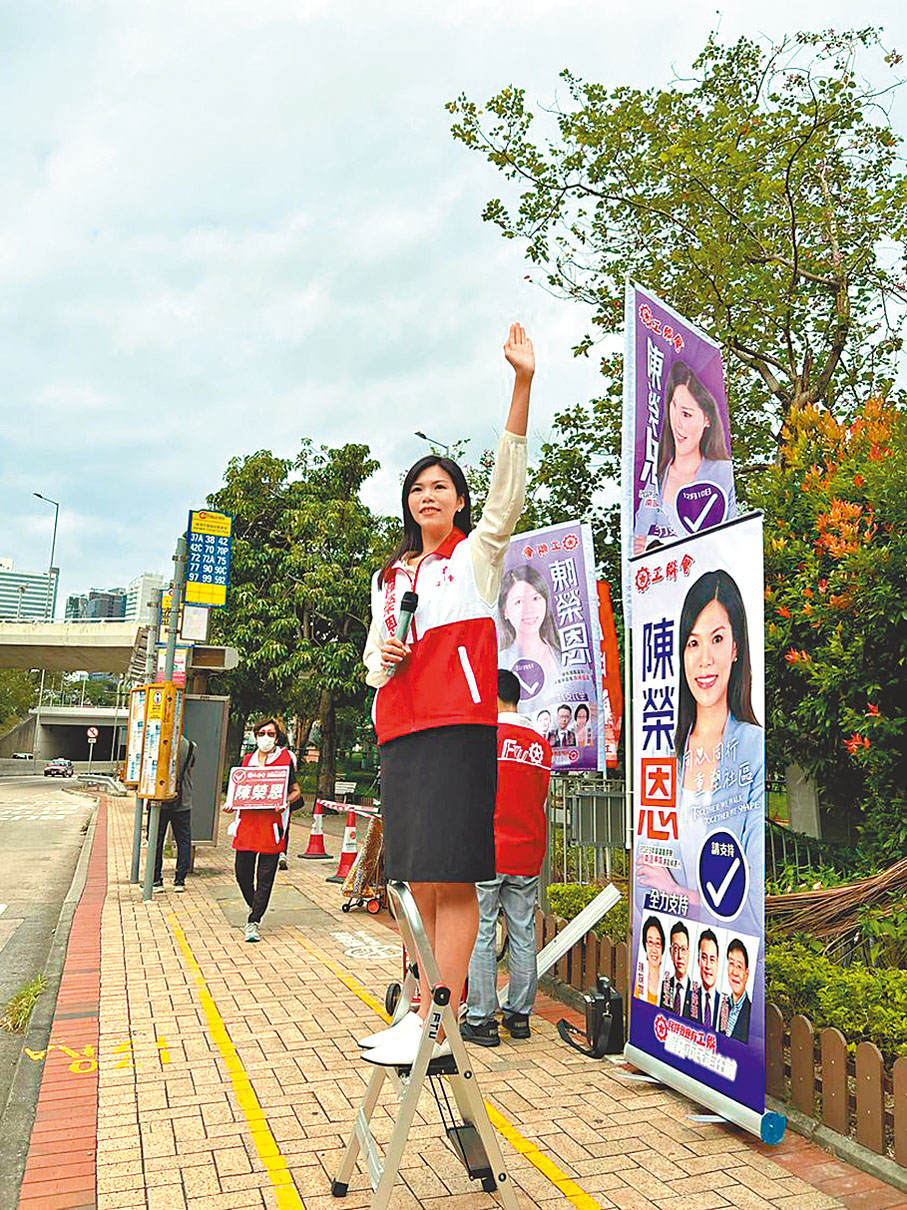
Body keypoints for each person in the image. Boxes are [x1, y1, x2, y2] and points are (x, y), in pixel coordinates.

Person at [359, 323, 534, 1066]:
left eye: (440, 487)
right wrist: (386, 656)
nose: (427, 495)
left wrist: (521, 385)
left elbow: (509, 485)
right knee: (411, 877)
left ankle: (441, 1018)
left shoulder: (477, 558)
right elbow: (371, 664)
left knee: (452, 873)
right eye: (416, 488)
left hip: (456, 729)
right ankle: (413, 1004)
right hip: (399, 728)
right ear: (406, 504)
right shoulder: (389, 576)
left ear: (460, 502)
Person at [635, 570, 764, 937]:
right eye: (692, 643)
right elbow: (645, 876)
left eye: (717, 639)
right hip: (667, 950)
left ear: (736, 647)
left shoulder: (752, 748)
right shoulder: (663, 752)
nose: (704, 659)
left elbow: (751, 899)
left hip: (729, 954)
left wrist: (679, 893)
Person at [460, 669, 552, 1048]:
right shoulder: (540, 745)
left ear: (493, 696)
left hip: (487, 847)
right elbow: (541, 799)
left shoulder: (484, 738)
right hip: (528, 849)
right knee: (522, 931)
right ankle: (519, 1016)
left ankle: (481, 1018)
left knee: (481, 932)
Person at [634, 361, 736, 552]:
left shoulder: (722, 473)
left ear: (707, 419)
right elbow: (638, 543)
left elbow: (729, 539)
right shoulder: (656, 478)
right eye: (674, 407)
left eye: (687, 414)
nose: (677, 423)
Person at [227, 718, 300, 943]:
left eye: (270, 733)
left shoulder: (286, 759)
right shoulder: (247, 761)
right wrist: (230, 803)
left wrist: (285, 802)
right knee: (242, 874)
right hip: (247, 825)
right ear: (255, 735)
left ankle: (254, 920)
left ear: (277, 737)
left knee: (265, 877)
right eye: (261, 733)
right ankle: (255, 904)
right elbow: (236, 790)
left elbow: (296, 790)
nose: (265, 737)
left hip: (271, 826)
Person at [497, 565, 561, 690]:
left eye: (536, 598)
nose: (529, 609)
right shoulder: (498, 664)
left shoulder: (567, 655)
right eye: (519, 602)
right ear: (505, 611)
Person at [152, 734, 196, 893]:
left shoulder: (157, 743)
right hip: (183, 800)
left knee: (156, 840)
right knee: (183, 841)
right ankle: (180, 881)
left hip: (160, 800)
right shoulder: (190, 745)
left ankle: (156, 879)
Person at [718, 937, 752, 1042]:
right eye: (731, 964)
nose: (735, 972)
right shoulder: (721, 1004)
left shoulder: (751, 1013)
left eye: (739, 966)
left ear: (746, 974)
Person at [688, 928, 721, 1029]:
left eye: (712, 959)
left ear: (717, 963)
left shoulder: (724, 1006)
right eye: (704, 958)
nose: (707, 966)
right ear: (698, 960)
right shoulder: (688, 998)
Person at [659, 921, 691, 1016]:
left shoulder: (696, 994)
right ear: (670, 952)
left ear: (689, 953)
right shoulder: (664, 987)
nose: (680, 955)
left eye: (683, 949)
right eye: (676, 949)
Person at [635, 915, 665, 1004]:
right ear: (645, 945)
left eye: (658, 943)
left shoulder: (669, 984)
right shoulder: (638, 983)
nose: (654, 949)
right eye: (650, 942)